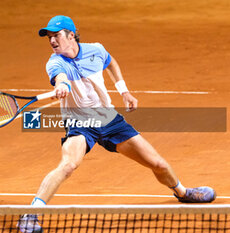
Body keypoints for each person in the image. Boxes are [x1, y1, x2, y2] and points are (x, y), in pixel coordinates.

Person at [18, 15, 216, 233]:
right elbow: (60, 77)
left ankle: (183, 193)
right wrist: (62, 85)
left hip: (109, 119)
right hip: (80, 123)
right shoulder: (55, 62)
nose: (52, 41)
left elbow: (111, 63)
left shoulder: (96, 50)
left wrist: (124, 91)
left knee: (157, 164)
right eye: (49, 38)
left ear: (71, 35)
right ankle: (31, 215)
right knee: (68, 165)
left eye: (56, 36)